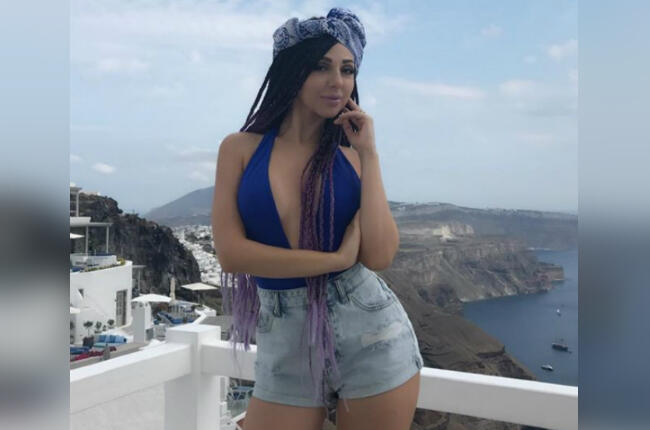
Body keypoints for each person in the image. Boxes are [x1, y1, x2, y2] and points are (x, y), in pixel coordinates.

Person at [212, 8, 423, 430]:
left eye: (347, 70)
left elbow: (380, 255)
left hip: (370, 329)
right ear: (292, 70)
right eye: (321, 66)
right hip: (284, 333)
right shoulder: (239, 149)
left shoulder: (352, 159)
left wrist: (369, 154)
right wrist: (334, 261)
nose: (337, 82)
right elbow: (232, 254)